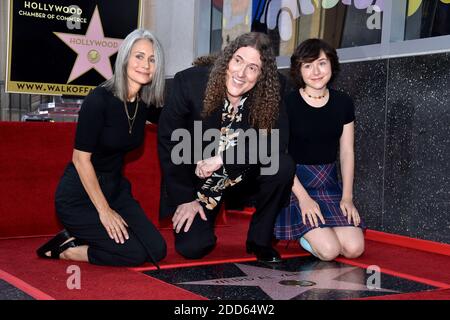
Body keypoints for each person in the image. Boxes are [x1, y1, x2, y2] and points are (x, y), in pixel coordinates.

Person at [158, 32, 295, 263]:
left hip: (244, 175)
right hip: (201, 179)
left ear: (262, 76)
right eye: (238, 61)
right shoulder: (190, 83)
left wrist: (222, 158)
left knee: (282, 166)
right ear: (227, 60)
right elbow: (169, 140)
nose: (241, 73)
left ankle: (259, 240)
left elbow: (276, 142)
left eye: (252, 68)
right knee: (193, 248)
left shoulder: (274, 89)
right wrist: (185, 198)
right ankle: (203, 225)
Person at [36, 29, 167, 267]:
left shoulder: (144, 103)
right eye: (139, 56)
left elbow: (180, 115)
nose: (145, 65)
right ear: (125, 58)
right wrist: (104, 211)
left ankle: (88, 239)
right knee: (135, 254)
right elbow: (80, 159)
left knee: (156, 249)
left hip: (116, 190)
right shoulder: (99, 99)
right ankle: (70, 250)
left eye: (152, 59)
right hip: (80, 196)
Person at [274, 39, 365, 261]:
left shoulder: (343, 103)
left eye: (321, 63)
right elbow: (278, 156)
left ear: (332, 65)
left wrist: (347, 197)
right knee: (329, 251)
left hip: (328, 183)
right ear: (299, 70)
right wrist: (304, 199)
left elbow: (346, 152)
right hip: (295, 185)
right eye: (307, 65)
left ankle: (323, 230)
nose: (315, 71)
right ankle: (303, 235)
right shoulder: (287, 104)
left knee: (354, 249)